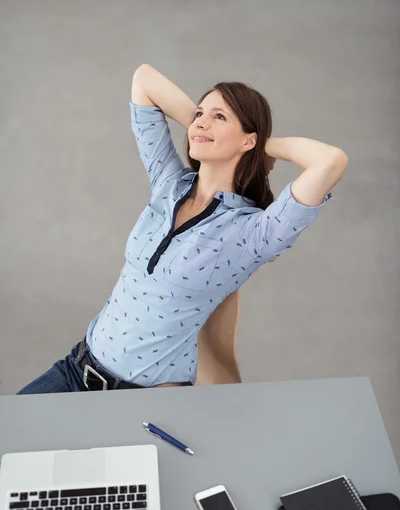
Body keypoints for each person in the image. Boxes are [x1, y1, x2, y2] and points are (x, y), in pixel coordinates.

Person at [18, 64, 348, 394]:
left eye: (220, 117)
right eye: (199, 113)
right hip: (75, 370)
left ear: (249, 139)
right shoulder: (169, 184)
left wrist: (262, 145)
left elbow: (330, 160)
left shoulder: (253, 234)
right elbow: (144, 79)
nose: (200, 121)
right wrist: (207, 128)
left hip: (142, 399)